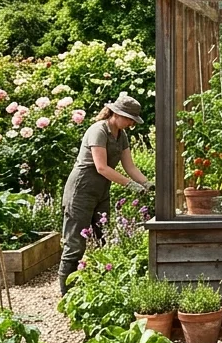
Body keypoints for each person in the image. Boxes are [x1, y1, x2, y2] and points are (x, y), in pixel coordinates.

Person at [58, 95, 152, 294]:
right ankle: (66, 294)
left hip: (101, 192)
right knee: (75, 243)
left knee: (102, 239)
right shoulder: (98, 131)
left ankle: (95, 288)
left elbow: (129, 166)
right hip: (81, 190)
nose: (131, 123)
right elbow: (101, 167)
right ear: (116, 114)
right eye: (129, 119)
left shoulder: (121, 135)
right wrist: (129, 185)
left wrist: (146, 183)